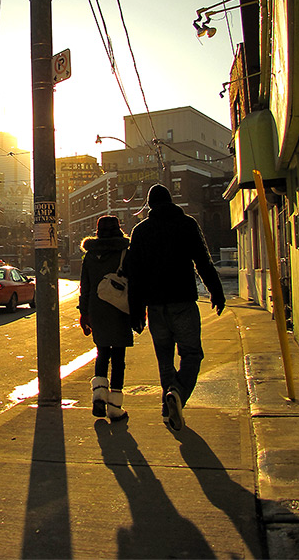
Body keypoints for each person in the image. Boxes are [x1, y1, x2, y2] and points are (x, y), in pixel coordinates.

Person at [125, 184, 225, 431]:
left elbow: (133, 276)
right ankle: (177, 393)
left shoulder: (140, 231)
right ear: (171, 201)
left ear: (149, 206)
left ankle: (169, 406)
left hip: (156, 307)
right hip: (183, 301)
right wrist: (217, 292)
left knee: (165, 360)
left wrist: (136, 312)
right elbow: (203, 261)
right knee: (192, 354)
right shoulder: (187, 224)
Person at [78, 215, 141, 421]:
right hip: (120, 310)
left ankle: (98, 396)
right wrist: (139, 312)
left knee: (102, 353)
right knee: (119, 358)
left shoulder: (90, 256)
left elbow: (84, 287)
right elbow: (134, 286)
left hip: (97, 311)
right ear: (118, 230)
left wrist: (84, 313)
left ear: (97, 231)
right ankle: (115, 406)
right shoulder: (126, 252)